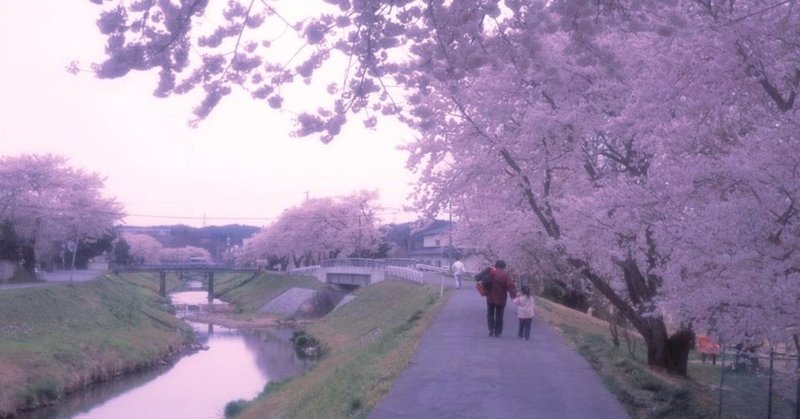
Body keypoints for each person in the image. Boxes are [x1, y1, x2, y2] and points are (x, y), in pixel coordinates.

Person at [485, 260, 517, 337]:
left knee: (490, 313)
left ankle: (491, 329)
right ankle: (497, 331)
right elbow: (510, 286)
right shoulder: (505, 275)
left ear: (496, 265)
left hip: (490, 297)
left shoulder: (491, 273)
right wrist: (513, 296)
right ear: (503, 266)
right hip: (501, 298)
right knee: (499, 314)